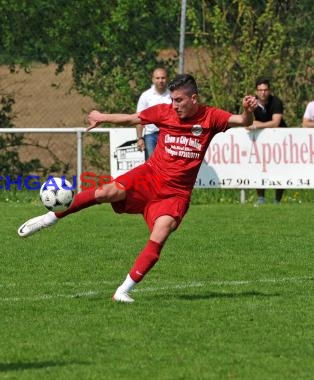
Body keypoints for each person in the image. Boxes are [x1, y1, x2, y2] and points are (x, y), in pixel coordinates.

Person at [18, 74, 257, 303]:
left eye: (179, 100)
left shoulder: (211, 117)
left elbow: (243, 121)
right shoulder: (164, 112)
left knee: (161, 232)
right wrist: (102, 116)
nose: (174, 105)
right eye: (172, 100)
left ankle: (122, 291)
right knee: (105, 192)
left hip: (175, 193)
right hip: (149, 176)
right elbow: (133, 119)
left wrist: (247, 110)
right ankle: (50, 217)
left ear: (193, 98)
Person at [247, 77, 287, 205]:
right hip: (259, 141)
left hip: (279, 141)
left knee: (279, 169)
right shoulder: (251, 103)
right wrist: (255, 124)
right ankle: (261, 198)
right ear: (256, 91)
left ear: (269, 90)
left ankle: (277, 200)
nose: (263, 92)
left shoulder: (276, 102)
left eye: (265, 90)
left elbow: (276, 123)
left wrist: (258, 125)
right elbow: (246, 122)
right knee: (259, 167)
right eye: (260, 90)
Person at [136, 68, 171, 160]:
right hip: (150, 135)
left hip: (168, 135)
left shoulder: (172, 95)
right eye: (157, 78)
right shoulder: (146, 96)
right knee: (151, 165)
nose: (160, 81)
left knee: (167, 163)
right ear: (153, 79)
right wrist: (139, 138)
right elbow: (139, 118)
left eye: (163, 78)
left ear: (167, 79)